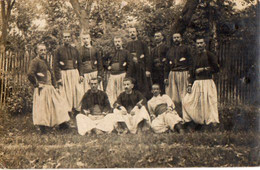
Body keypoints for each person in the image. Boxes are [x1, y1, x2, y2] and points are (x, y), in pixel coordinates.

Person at [28, 43, 70, 134]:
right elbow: (30, 74)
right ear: (37, 51)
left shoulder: (45, 61)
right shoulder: (35, 61)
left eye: (44, 50)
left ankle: (62, 124)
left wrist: (55, 86)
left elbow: (50, 73)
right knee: (43, 108)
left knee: (58, 104)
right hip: (42, 88)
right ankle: (43, 128)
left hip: (50, 87)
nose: (43, 52)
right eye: (41, 50)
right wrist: (37, 84)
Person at [182, 37, 220, 131]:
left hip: (207, 82)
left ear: (204, 44)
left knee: (208, 103)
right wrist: (189, 85)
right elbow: (191, 71)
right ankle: (196, 122)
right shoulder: (194, 56)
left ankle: (210, 125)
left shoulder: (209, 55)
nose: (199, 45)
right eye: (198, 43)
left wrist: (203, 69)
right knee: (187, 101)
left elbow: (216, 68)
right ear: (196, 45)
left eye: (201, 43)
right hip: (197, 83)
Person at [53, 30, 82, 114]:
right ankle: (67, 112)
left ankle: (77, 111)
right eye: (65, 37)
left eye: (68, 37)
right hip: (64, 74)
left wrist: (81, 75)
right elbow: (55, 65)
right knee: (66, 93)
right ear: (62, 39)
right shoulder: (58, 50)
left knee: (77, 91)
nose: (67, 38)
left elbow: (80, 63)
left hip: (74, 73)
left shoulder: (74, 50)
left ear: (70, 38)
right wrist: (58, 78)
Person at [164, 33, 192, 117]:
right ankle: (177, 116)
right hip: (172, 74)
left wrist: (190, 75)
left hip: (183, 73)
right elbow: (166, 65)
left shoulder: (186, 49)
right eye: (174, 38)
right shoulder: (170, 50)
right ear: (172, 39)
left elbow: (191, 63)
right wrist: (165, 77)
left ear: (181, 38)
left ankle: (187, 117)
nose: (176, 39)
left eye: (178, 37)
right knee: (173, 97)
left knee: (184, 96)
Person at [105, 36, 133, 105]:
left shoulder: (126, 52)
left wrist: (127, 76)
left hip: (122, 75)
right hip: (112, 76)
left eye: (118, 41)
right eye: (115, 42)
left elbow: (130, 64)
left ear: (121, 42)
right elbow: (103, 60)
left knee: (122, 91)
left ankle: (123, 105)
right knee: (111, 92)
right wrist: (107, 66)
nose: (117, 43)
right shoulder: (111, 52)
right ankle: (112, 106)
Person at [126, 27, 152, 99]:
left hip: (141, 69)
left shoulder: (142, 44)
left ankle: (144, 102)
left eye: (133, 32)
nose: (132, 33)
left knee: (143, 87)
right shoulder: (127, 45)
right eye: (130, 32)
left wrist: (147, 69)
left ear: (136, 33)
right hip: (132, 70)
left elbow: (147, 57)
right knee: (133, 86)